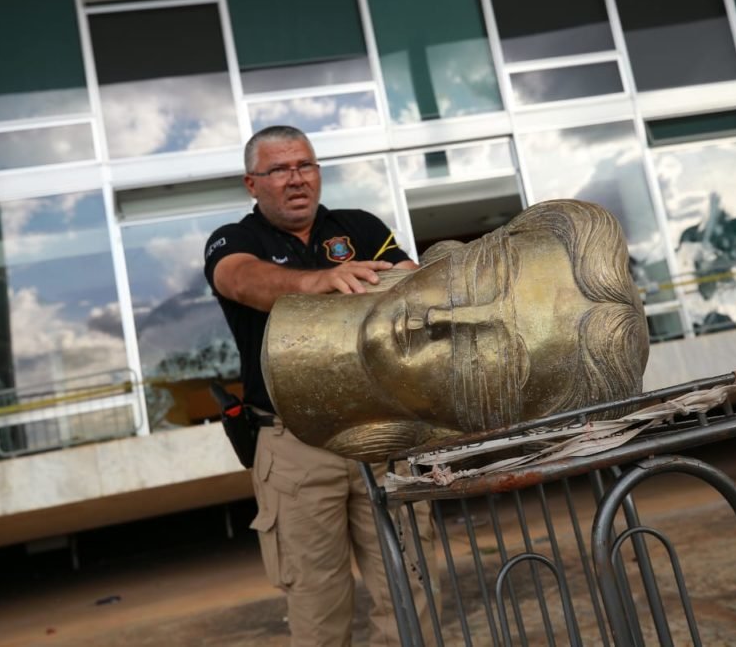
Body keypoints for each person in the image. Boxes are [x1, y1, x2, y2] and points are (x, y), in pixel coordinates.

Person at [204, 125, 430, 647]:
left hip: (381, 433)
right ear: (251, 184)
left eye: (305, 165)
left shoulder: (360, 227)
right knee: (318, 609)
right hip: (293, 444)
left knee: (411, 594)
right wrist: (315, 282)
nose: (295, 179)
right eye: (279, 170)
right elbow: (240, 280)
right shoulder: (234, 241)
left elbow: (413, 286)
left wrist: (421, 282)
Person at [263, 198, 650, 462]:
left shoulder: (358, 226)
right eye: (476, 280)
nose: (442, 319)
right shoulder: (251, 236)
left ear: (469, 428)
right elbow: (235, 274)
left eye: (487, 362)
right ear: (451, 253)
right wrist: (308, 283)